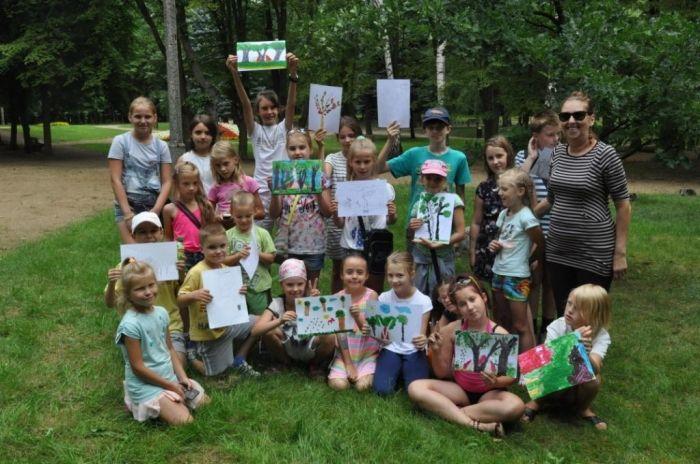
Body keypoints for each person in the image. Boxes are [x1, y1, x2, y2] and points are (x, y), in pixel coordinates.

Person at [534, 91, 631, 317]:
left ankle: (590, 353)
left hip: (594, 252)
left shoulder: (606, 155)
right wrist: (519, 217)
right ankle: (567, 353)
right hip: (558, 250)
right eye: (565, 116)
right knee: (564, 313)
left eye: (578, 114)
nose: (571, 121)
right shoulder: (555, 153)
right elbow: (551, 198)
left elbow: (623, 205)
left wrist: (620, 253)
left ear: (591, 118)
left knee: (588, 317)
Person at [408, 275, 525, 437]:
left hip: (489, 394)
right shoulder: (452, 330)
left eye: (472, 299)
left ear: (483, 298)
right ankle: (476, 424)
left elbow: (511, 377)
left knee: (516, 406)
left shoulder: (500, 334)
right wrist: (435, 351)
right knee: (415, 388)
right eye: (463, 304)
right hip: (460, 389)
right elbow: (442, 373)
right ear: (457, 308)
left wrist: (496, 381)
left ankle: (449, 412)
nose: (469, 307)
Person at [105, 212, 204, 373]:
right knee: (146, 367)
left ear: (162, 232)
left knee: (177, 365)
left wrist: (180, 275)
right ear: (133, 236)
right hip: (140, 328)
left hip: (170, 325)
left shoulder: (171, 261)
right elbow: (110, 303)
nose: (149, 236)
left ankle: (184, 351)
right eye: (142, 232)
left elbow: (183, 300)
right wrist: (111, 283)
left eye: (153, 230)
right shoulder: (126, 266)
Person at [115, 259, 209, 425]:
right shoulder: (130, 325)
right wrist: (171, 386)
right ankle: (136, 402)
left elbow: (170, 349)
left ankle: (172, 398)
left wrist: (182, 377)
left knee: (204, 404)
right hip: (145, 384)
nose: (148, 292)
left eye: (151, 285)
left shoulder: (162, 313)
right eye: (140, 289)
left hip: (167, 375)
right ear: (128, 294)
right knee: (185, 421)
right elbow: (138, 367)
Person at [522, 284, 612, 430]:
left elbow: (594, 369)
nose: (569, 310)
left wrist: (586, 354)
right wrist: (572, 341)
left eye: (578, 308)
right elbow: (547, 362)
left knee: (595, 380)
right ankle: (537, 402)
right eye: (569, 303)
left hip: (577, 387)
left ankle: (583, 408)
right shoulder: (557, 326)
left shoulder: (601, 336)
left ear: (595, 314)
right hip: (554, 378)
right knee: (557, 369)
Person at [376, 107, 471, 245]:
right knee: (415, 264)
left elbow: (460, 193)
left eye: (439, 127)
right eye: (430, 127)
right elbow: (378, 168)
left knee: (443, 264)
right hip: (416, 223)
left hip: (443, 223)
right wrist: (390, 141)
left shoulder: (459, 158)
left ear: (448, 129)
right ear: (424, 130)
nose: (435, 131)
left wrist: (457, 226)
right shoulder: (414, 154)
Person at [226, 52, 299, 230]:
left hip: (285, 185)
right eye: (264, 108)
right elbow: (244, 104)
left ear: (278, 109)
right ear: (258, 112)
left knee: (285, 236)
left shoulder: (284, 128)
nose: (269, 112)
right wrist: (235, 73)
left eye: (273, 107)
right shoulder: (255, 130)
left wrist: (293, 75)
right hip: (261, 189)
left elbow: (291, 105)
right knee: (258, 234)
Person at [177, 223, 260, 377]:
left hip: (228, 325)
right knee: (218, 375)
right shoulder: (196, 272)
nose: (219, 251)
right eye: (212, 247)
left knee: (261, 322)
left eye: (222, 246)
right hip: (208, 334)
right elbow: (180, 300)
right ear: (202, 249)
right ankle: (193, 356)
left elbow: (228, 299)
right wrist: (194, 295)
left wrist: (239, 293)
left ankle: (239, 357)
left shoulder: (224, 269)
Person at [515, 110, 559, 342]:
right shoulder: (524, 157)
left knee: (551, 282)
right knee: (533, 280)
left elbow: (559, 196)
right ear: (536, 136)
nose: (555, 140)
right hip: (531, 233)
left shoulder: (561, 155)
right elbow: (516, 185)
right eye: (550, 135)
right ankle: (530, 328)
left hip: (554, 231)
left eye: (557, 135)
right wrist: (531, 158)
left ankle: (547, 328)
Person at [488, 168, 544, 352]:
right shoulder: (505, 214)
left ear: (520, 191)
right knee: (502, 320)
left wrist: (529, 260)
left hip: (517, 277)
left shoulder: (526, 217)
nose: (500, 193)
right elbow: (504, 238)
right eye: (499, 189)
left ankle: (530, 367)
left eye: (504, 189)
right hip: (499, 272)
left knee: (520, 325)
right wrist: (495, 245)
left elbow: (541, 243)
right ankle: (505, 362)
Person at [331, 137, 396, 293]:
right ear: (350, 163)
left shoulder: (385, 188)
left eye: (366, 162)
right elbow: (340, 224)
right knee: (351, 289)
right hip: (351, 246)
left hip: (376, 246)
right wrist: (335, 212)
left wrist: (393, 214)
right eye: (358, 162)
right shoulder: (344, 190)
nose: (362, 166)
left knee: (374, 288)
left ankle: (371, 317)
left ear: (374, 161)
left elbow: (391, 221)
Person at [251, 259, 335, 373]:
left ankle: (315, 366)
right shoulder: (277, 303)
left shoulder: (311, 300)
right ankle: (285, 363)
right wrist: (280, 320)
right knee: (268, 331)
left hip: (310, 346)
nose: (295, 289)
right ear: (281, 284)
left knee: (330, 336)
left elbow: (329, 325)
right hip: (287, 347)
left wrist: (316, 304)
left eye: (300, 284)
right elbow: (255, 331)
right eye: (290, 285)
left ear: (305, 283)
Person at [270, 129, 331, 284]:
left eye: (302, 147)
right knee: (293, 289)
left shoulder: (320, 176)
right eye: (292, 148)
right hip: (290, 245)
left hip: (314, 245)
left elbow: (328, 212)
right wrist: (274, 193)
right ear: (287, 151)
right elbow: (274, 213)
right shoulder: (283, 175)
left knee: (312, 288)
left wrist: (317, 192)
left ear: (310, 149)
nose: (297, 152)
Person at [108, 96, 172, 243]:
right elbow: (115, 179)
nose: (143, 121)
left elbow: (167, 181)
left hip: (153, 206)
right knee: (134, 254)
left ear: (155, 118)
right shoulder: (121, 142)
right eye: (138, 116)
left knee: (156, 252)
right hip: (127, 206)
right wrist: (127, 213)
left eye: (147, 116)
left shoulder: (161, 146)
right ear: (130, 117)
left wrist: (156, 211)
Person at [369, 252, 431, 396]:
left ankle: (406, 372)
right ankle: (396, 371)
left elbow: (421, 337)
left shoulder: (423, 301)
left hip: (414, 350)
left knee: (417, 391)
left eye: (400, 275)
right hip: (390, 347)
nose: (394, 280)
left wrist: (423, 340)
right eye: (390, 275)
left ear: (412, 274)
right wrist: (374, 332)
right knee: (382, 391)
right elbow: (382, 337)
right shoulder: (383, 298)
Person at [408, 159, 465, 297]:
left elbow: (461, 232)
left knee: (443, 296)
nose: (433, 182)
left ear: (445, 180)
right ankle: (425, 318)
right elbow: (412, 233)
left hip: (443, 257)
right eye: (428, 178)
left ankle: (440, 318)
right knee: (420, 294)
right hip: (421, 256)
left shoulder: (454, 200)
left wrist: (442, 242)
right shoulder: (418, 205)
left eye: (438, 179)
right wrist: (412, 226)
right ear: (422, 179)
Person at [327, 254, 381, 391]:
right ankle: (345, 370)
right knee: (339, 385)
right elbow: (340, 333)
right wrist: (349, 363)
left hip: (367, 354)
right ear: (342, 275)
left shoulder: (372, 296)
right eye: (349, 272)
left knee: (362, 387)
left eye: (360, 272)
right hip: (345, 354)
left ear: (367, 275)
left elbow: (372, 329)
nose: (354, 276)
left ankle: (365, 373)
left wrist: (357, 317)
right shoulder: (337, 298)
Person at [324, 116, 363, 293]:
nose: (347, 140)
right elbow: (324, 179)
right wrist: (320, 148)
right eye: (342, 136)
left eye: (351, 135)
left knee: (359, 269)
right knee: (339, 270)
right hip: (336, 223)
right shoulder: (332, 158)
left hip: (359, 224)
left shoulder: (363, 160)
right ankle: (336, 305)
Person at [469, 136, 514, 283]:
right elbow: (476, 222)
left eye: (499, 156)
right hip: (487, 247)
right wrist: (472, 251)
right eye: (490, 158)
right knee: (494, 294)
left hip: (514, 249)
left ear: (508, 154)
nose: (495, 161)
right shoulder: (484, 188)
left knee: (515, 296)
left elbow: (532, 217)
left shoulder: (521, 185)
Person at [224, 191, 276, 316]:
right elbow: (223, 261)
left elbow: (271, 258)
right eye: (239, 216)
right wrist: (237, 256)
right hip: (236, 288)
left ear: (254, 212)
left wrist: (257, 254)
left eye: (248, 216)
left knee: (260, 317)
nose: (244, 220)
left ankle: (260, 336)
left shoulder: (262, 234)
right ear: (231, 214)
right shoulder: (228, 235)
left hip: (259, 288)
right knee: (238, 318)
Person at [163, 162, 216, 272]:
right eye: (186, 184)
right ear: (177, 184)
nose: (191, 188)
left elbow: (212, 232)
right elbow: (168, 237)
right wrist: (168, 259)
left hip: (203, 253)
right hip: (182, 256)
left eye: (195, 183)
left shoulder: (206, 206)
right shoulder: (169, 209)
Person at [208, 140, 265, 229]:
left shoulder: (249, 182)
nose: (222, 169)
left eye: (226, 163)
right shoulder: (215, 187)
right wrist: (218, 217)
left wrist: (242, 216)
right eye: (218, 165)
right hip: (225, 233)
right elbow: (208, 216)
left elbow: (261, 212)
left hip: (247, 232)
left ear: (235, 160)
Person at [179, 114, 218, 194]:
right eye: (198, 132)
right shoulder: (184, 159)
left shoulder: (219, 158)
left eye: (207, 133)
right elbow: (178, 190)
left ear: (213, 136)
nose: (203, 137)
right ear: (191, 134)